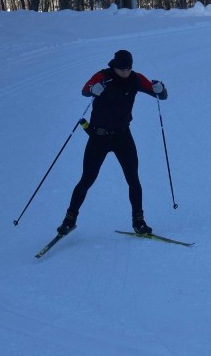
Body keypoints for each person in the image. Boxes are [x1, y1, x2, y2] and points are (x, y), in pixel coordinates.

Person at [57, 49, 168, 236]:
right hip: (98, 137)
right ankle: (69, 220)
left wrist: (160, 89)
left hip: (122, 136)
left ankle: (139, 222)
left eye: (128, 68)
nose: (125, 72)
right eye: (121, 69)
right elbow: (85, 90)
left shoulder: (136, 78)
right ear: (114, 66)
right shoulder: (103, 76)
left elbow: (161, 96)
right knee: (87, 179)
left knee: (133, 179)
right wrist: (93, 89)